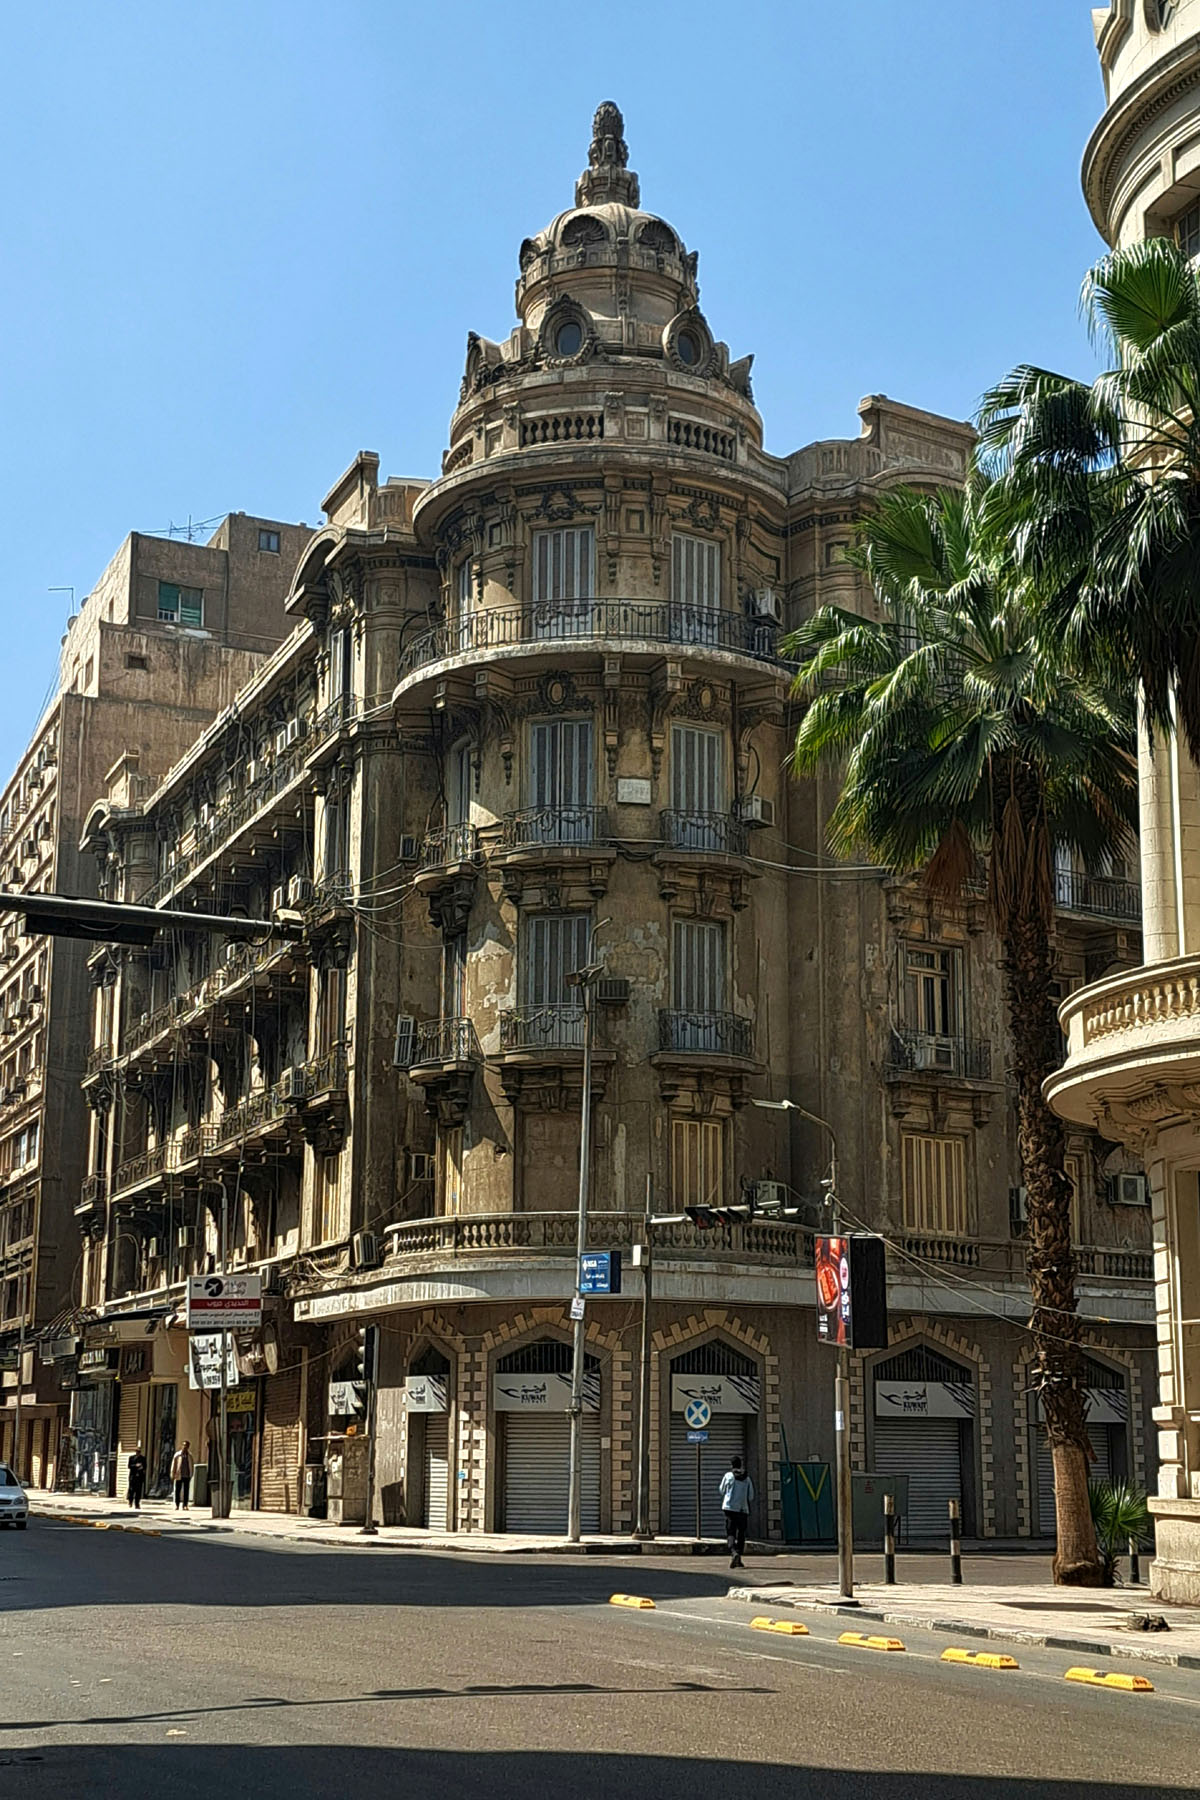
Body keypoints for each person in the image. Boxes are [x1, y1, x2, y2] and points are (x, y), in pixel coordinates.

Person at [719, 1453, 754, 1569]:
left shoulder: (728, 1476)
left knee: (730, 1532)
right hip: (743, 1509)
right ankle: (739, 1556)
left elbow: (721, 1490)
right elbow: (751, 1497)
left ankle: (734, 1553)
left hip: (729, 1508)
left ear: (732, 1465)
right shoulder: (747, 1478)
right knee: (741, 1533)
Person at [171, 1440, 193, 1511]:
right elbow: (173, 1465)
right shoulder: (177, 1455)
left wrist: (191, 1474)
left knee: (186, 1491)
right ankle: (177, 1505)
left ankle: (185, 1505)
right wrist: (173, 1473)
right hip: (178, 1475)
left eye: (186, 1445)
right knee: (178, 1491)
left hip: (186, 1475)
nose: (185, 1447)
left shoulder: (189, 1455)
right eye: (183, 1445)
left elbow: (191, 1465)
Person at [126, 1444, 147, 1511]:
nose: (138, 1452)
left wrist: (141, 1467)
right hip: (133, 1476)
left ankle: (137, 1504)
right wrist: (136, 1465)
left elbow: (145, 1467)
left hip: (139, 1477)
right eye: (137, 1451)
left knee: (138, 1491)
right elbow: (129, 1466)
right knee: (131, 1490)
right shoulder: (131, 1458)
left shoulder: (143, 1458)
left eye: (139, 1451)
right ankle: (130, 1501)